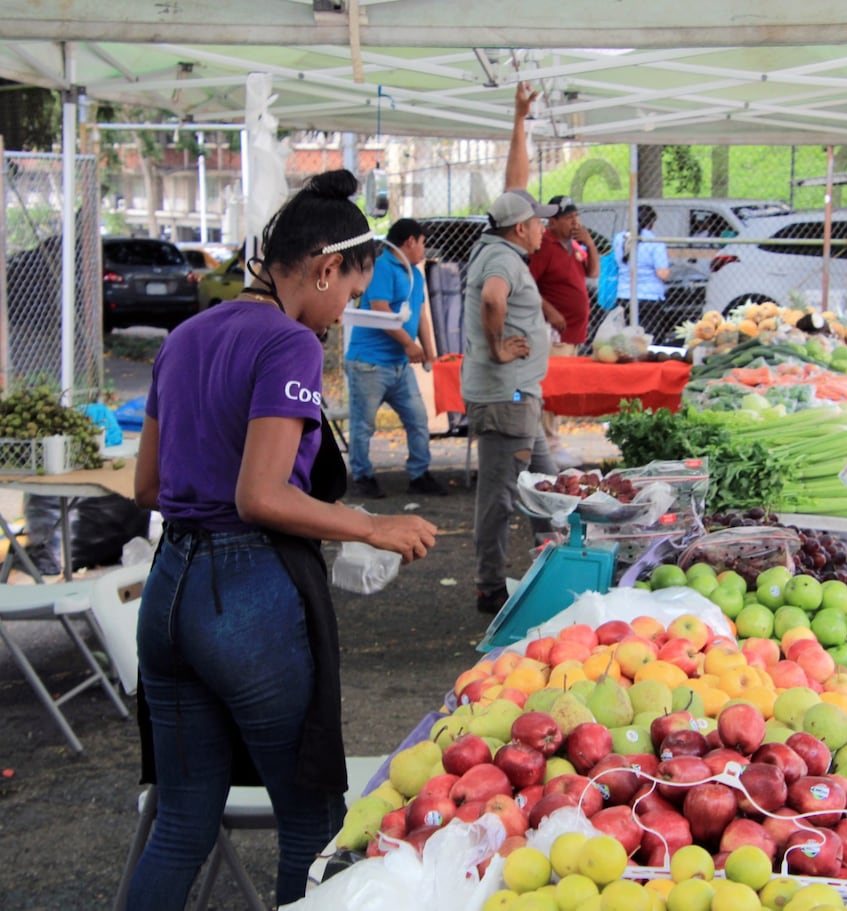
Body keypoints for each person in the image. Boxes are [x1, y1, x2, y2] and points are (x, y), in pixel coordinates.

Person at [126, 170, 438, 911]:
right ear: (325, 267)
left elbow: (147, 487)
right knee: (310, 820)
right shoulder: (288, 343)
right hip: (246, 596)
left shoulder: (185, 337)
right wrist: (373, 526)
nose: (343, 312)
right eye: (349, 292)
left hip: (168, 594)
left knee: (181, 821)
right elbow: (261, 496)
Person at [462, 83, 559, 616]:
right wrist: (499, 347)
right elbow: (493, 298)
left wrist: (520, 120)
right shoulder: (501, 259)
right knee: (500, 496)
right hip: (508, 396)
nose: (545, 227)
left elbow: (514, 184)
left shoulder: (500, 242)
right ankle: (489, 587)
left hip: (519, 396)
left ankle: (555, 563)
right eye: (539, 221)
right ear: (522, 228)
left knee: (549, 487)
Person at [344, 218, 448, 498]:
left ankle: (419, 474)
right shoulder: (381, 267)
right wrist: (409, 344)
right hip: (369, 364)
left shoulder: (415, 273)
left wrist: (429, 352)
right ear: (410, 241)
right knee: (363, 425)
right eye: (422, 243)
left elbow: (421, 314)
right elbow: (380, 309)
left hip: (399, 365)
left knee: (418, 419)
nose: (424, 249)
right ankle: (362, 476)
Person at [528, 193, 599, 469]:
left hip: (572, 333)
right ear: (553, 221)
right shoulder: (544, 246)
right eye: (569, 218)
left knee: (559, 389)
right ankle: (548, 444)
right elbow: (528, 285)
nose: (575, 223)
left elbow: (593, 272)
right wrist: (550, 311)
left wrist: (589, 242)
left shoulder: (574, 246)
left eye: (576, 217)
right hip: (552, 333)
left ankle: (553, 440)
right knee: (549, 388)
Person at [612, 204, 670, 321]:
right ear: (651, 222)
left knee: (625, 330)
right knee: (647, 330)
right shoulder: (655, 242)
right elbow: (662, 274)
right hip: (649, 296)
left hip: (624, 294)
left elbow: (617, 262)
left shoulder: (619, 238)